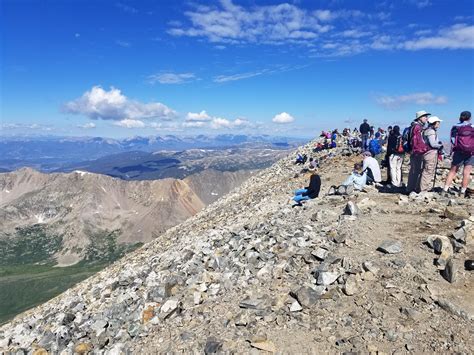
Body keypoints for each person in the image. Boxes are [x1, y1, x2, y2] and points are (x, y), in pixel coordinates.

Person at [443, 111, 474, 197]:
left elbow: (453, 140)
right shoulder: (472, 127)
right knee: (466, 172)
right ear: (470, 118)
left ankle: (445, 189)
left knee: (453, 171)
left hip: (458, 152)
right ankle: (462, 192)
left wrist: (453, 150)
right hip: (471, 153)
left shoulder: (455, 127)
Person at [406, 110, 431, 193]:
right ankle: (411, 189)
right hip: (417, 152)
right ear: (420, 118)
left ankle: (410, 188)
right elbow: (418, 141)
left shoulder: (414, 126)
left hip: (414, 151)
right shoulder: (418, 127)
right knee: (415, 170)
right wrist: (424, 149)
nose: (427, 118)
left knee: (414, 170)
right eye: (425, 116)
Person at [420, 116, 443, 192]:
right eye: (438, 122)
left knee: (425, 170)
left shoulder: (426, 130)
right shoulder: (431, 131)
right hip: (431, 153)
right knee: (428, 170)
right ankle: (424, 189)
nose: (439, 124)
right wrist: (440, 146)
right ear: (434, 123)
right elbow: (433, 144)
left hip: (426, 153)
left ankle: (422, 187)